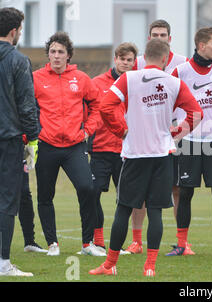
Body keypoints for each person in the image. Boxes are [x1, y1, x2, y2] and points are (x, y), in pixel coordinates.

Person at [88, 38, 203, 276]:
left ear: (143, 59)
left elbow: (105, 107)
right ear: (165, 59)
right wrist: (178, 132)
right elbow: (196, 113)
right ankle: (150, 266)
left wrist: (120, 130)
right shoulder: (174, 82)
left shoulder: (129, 79)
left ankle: (109, 265)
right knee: (155, 211)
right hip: (162, 155)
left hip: (135, 154)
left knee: (123, 209)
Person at [165, 27, 212, 257]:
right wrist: (173, 129)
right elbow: (166, 102)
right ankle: (181, 245)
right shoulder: (180, 72)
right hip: (188, 141)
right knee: (185, 192)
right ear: (201, 46)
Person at [33, 32, 103, 256]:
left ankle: (87, 244)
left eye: (60, 52)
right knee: (45, 195)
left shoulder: (81, 79)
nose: (56, 56)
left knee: (87, 188)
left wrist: (88, 130)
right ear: (48, 55)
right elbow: (26, 108)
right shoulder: (36, 78)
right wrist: (36, 132)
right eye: (52, 52)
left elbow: (98, 107)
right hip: (46, 145)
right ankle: (52, 244)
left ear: (68, 55)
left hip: (74, 146)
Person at [126, 19, 191, 255]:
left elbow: (190, 100)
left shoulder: (183, 63)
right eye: (155, 34)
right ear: (148, 37)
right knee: (140, 190)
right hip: (145, 133)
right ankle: (136, 241)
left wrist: (182, 129)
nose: (159, 38)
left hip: (174, 132)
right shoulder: (139, 63)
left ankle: (182, 242)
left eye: (163, 34)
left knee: (177, 188)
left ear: (170, 39)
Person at [0, 7, 39, 277]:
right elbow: (27, 105)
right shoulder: (18, 60)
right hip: (8, 139)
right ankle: (3, 262)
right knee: (6, 201)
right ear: (14, 31)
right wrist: (33, 138)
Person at [89, 42, 138, 255]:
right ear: (115, 59)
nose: (126, 63)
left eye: (130, 60)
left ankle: (120, 243)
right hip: (100, 149)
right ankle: (98, 240)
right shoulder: (97, 83)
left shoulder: (138, 83)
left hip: (126, 151)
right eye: (122, 59)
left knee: (126, 199)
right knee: (93, 194)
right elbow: (89, 112)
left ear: (134, 62)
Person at [19, 136, 47, 254]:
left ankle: (29, 241)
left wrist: (26, 140)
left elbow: (27, 124)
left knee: (24, 194)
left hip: (14, 150)